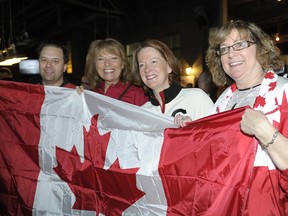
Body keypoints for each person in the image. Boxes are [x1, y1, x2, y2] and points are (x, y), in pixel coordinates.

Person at [206, 20, 288, 215]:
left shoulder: (284, 92)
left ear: (260, 48)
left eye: (240, 44)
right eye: (224, 49)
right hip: (226, 206)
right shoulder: (221, 103)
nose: (231, 54)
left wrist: (267, 133)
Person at [131, 39, 214, 127]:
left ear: (169, 66)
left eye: (153, 61)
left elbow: (218, 135)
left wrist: (192, 128)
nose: (147, 69)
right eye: (142, 65)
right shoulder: (143, 113)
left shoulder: (196, 98)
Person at [79, 38, 148, 106]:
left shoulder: (138, 94)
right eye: (101, 59)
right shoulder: (90, 93)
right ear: (95, 65)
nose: (107, 64)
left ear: (123, 64)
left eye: (113, 58)